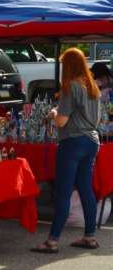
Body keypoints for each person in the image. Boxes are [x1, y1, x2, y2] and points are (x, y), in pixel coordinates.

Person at [32, 48, 101, 253]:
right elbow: (96, 120)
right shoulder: (93, 87)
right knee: (86, 189)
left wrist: (53, 112)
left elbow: (62, 121)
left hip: (73, 141)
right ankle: (90, 236)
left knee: (63, 192)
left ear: (68, 66)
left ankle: (52, 241)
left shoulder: (71, 86)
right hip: (91, 140)